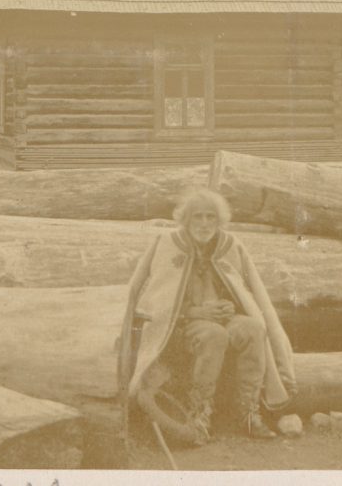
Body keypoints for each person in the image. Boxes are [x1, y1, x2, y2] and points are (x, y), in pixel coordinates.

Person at [118, 186, 297, 444]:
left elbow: (247, 292)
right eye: (197, 217)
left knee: (253, 328)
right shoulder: (167, 243)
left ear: (219, 220)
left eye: (210, 217)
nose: (204, 224)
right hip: (179, 329)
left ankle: (247, 413)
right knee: (214, 335)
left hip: (222, 321)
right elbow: (152, 297)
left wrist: (230, 306)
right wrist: (196, 312)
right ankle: (199, 415)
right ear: (186, 220)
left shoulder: (230, 244)